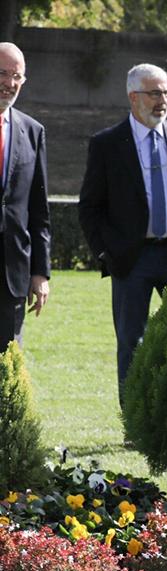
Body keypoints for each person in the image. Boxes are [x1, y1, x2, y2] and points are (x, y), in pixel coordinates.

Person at [78, 62, 167, 399]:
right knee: (131, 342)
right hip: (131, 258)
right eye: (155, 93)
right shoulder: (107, 144)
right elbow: (89, 206)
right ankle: (135, 422)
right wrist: (105, 252)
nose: (163, 100)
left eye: (166, 92)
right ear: (133, 97)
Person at [0, 42, 49, 351]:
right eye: (2, 74)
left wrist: (40, 272)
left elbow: (38, 209)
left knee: (7, 361)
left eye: (17, 76)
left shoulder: (32, 131)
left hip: (13, 271)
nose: (10, 83)